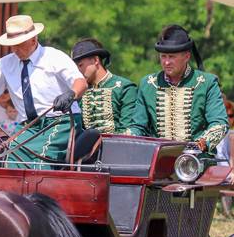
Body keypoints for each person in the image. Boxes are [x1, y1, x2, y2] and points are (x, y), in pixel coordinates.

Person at [0, 15, 87, 169]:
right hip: (28, 125)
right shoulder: (5, 64)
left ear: (33, 40)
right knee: (10, 161)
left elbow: (81, 82)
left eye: (19, 44)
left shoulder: (54, 57)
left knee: (41, 161)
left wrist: (71, 94)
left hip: (61, 121)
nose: (15, 49)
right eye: (12, 45)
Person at [129, 25, 227, 153]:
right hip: (157, 159)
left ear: (187, 56)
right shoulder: (148, 84)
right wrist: (124, 138)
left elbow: (219, 124)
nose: (166, 62)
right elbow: (138, 126)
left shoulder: (207, 83)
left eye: (172, 57)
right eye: (163, 56)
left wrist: (202, 143)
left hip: (197, 158)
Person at [71, 38, 136, 134]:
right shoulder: (80, 92)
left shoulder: (125, 88)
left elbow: (128, 129)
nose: (78, 71)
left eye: (80, 65)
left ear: (96, 60)